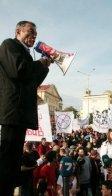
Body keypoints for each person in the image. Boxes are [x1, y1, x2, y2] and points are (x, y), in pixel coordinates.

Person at [0, 20, 53, 195]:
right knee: (7, 160)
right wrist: (40, 64)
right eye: (30, 32)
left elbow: (32, 82)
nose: (33, 36)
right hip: (12, 111)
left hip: (21, 113)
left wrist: (45, 65)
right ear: (18, 31)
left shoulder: (27, 54)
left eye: (35, 34)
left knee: (13, 163)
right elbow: (18, 70)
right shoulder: (9, 45)